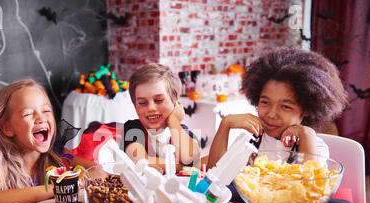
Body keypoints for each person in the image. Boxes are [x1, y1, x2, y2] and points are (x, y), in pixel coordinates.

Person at [207, 47, 348, 169]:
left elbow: (310, 188)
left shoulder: (314, 146)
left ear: (306, 109)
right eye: (265, 102)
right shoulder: (251, 139)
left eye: (285, 106)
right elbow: (215, 179)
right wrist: (225, 125)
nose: (271, 114)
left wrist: (307, 134)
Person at [0, 78, 95, 203]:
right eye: (28, 114)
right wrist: (54, 188)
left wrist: (78, 181)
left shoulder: (58, 155)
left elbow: (96, 171)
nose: (41, 118)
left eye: (46, 111)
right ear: (7, 128)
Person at [122, 63, 201, 172]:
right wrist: (182, 167)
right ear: (135, 107)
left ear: (175, 102)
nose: (151, 108)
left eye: (158, 100)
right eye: (142, 102)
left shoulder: (183, 132)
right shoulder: (132, 128)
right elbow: (141, 162)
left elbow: (189, 159)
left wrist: (173, 121)